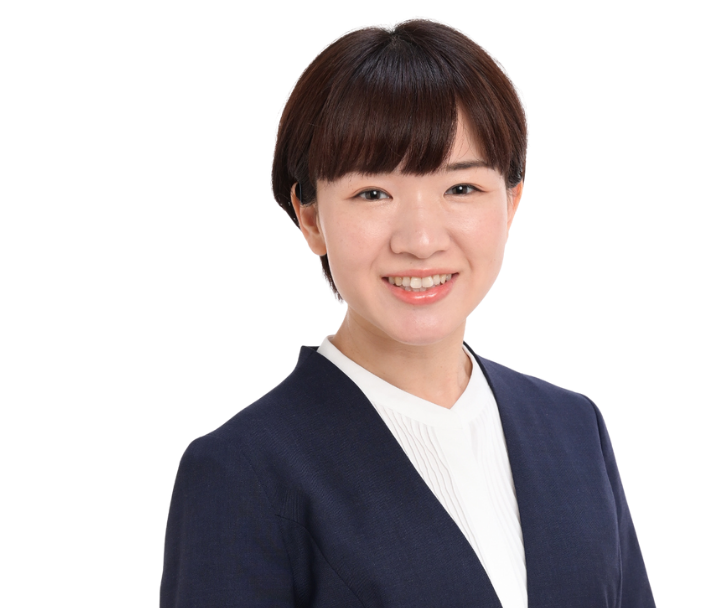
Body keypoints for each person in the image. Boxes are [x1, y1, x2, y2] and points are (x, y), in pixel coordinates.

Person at [160, 19, 655, 608]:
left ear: (511, 202)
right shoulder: (242, 472)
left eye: (461, 189)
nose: (421, 241)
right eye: (373, 193)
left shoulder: (573, 431)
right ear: (311, 218)